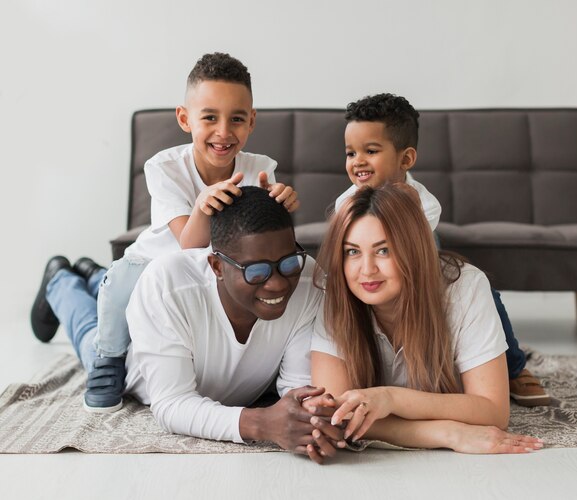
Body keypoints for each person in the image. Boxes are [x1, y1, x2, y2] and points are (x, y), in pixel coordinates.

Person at [30, 53, 298, 413]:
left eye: (236, 119)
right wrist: (204, 203)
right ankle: (79, 307)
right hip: (150, 267)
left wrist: (279, 203)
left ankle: (92, 275)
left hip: (208, 277)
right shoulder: (164, 167)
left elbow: (259, 236)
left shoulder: (261, 167)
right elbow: (190, 244)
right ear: (185, 119)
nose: (223, 131)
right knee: (120, 293)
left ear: (251, 121)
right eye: (209, 118)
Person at [334, 93, 549, 407]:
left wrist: (404, 204)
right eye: (351, 153)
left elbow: (412, 253)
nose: (358, 162)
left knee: (484, 293)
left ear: (406, 160)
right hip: (375, 273)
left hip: (419, 266)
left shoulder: (424, 203)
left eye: (371, 151)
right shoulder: (347, 202)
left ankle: (513, 366)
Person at [309, 184, 543, 453]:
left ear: (413, 249)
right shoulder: (336, 293)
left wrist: (390, 398)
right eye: (352, 252)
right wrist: (445, 432)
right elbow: (336, 415)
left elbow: (493, 410)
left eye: (383, 250)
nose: (367, 269)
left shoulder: (465, 287)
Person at [125, 186, 343, 463]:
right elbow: (171, 404)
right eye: (256, 271)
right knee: (89, 335)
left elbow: (297, 385)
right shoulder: (167, 286)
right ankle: (66, 283)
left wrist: (310, 416)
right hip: (132, 371)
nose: (277, 283)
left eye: (288, 263)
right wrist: (261, 422)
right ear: (216, 266)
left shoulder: (308, 280)